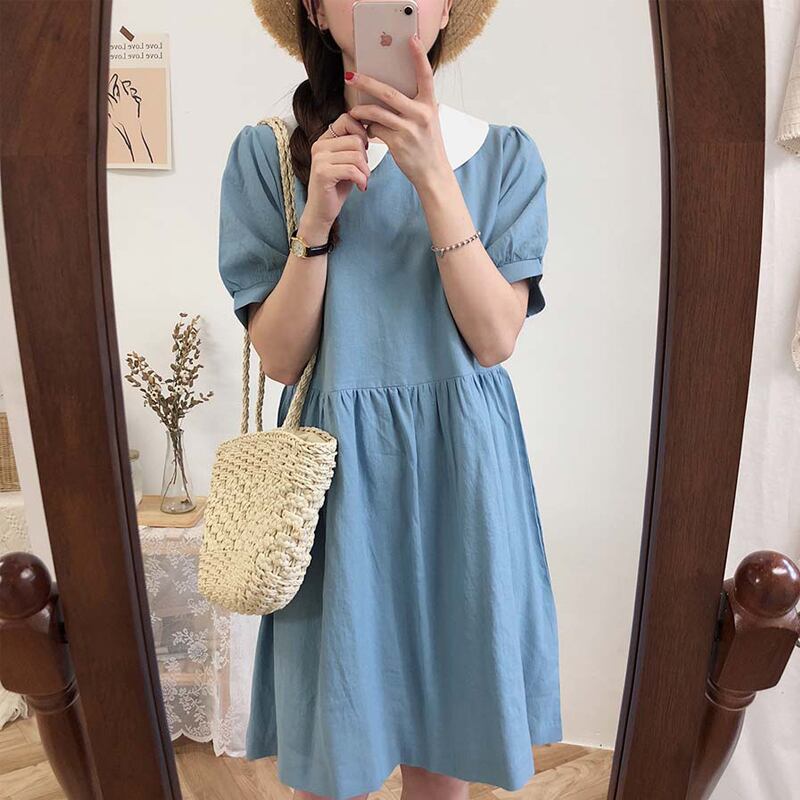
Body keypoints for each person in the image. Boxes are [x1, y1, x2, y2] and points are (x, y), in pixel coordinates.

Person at [217, 1, 562, 797]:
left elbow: (493, 337)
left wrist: (433, 175)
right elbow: (280, 358)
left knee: (446, 757)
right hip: (334, 489)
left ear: (447, 8)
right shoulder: (267, 154)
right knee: (331, 760)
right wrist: (317, 217)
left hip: (462, 478)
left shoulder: (504, 156)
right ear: (314, 7)